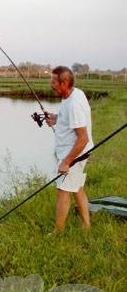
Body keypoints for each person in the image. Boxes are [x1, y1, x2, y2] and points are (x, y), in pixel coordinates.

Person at [46, 66, 93, 233]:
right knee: (77, 188)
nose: (51, 84)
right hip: (74, 152)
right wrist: (57, 118)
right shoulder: (73, 94)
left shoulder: (74, 104)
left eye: (53, 81)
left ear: (64, 82)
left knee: (63, 192)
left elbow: (83, 138)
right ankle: (87, 226)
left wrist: (67, 162)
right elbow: (70, 119)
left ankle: (57, 233)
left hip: (74, 155)